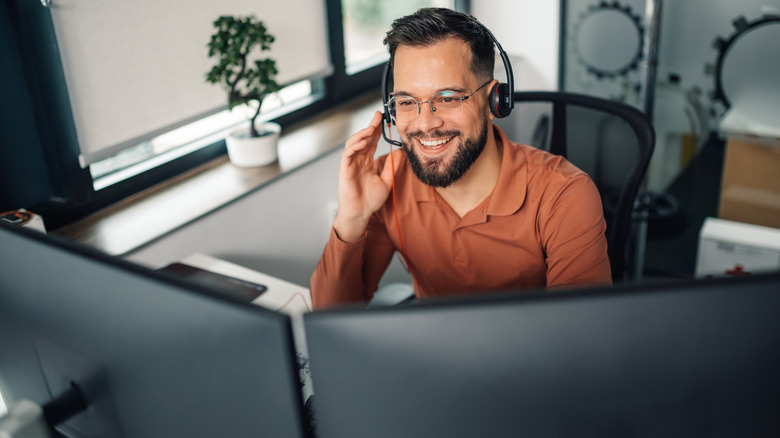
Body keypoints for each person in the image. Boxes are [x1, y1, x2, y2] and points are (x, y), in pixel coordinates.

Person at [311, 8, 611, 309]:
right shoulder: (384, 181)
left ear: (495, 101)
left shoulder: (563, 194)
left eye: (448, 98)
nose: (425, 124)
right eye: (406, 101)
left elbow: (579, 337)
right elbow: (330, 314)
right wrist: (351, 219)